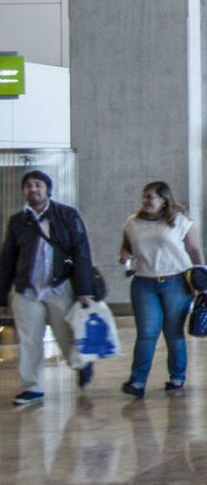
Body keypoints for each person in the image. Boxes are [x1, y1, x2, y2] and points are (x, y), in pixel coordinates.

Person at [0, 170, 99, 406]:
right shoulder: (18, 221)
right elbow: (7, 259)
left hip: (59, 286)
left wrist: (84, 289)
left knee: (66, 336)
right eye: (28, 186)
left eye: (38, 185)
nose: (33, 189)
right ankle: (32, 387)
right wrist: (2, 297)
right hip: (27, 290)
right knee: (29, 340)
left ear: (48, 190)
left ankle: (81, 364)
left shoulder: (67, 215)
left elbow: (81, 252)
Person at [119, 181, 205, 398]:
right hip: (144, 282)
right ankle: (137, 381)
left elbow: (194, 249)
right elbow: (127, 245)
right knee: (146, 333)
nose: (146, 201)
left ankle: (177, 376)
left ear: (164, 199)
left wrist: (203, 277)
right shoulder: (132, 222)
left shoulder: (179, 221)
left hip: (176, 282)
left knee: (173, 332)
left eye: (151, 197)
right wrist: (125, 256)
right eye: (144, 196)